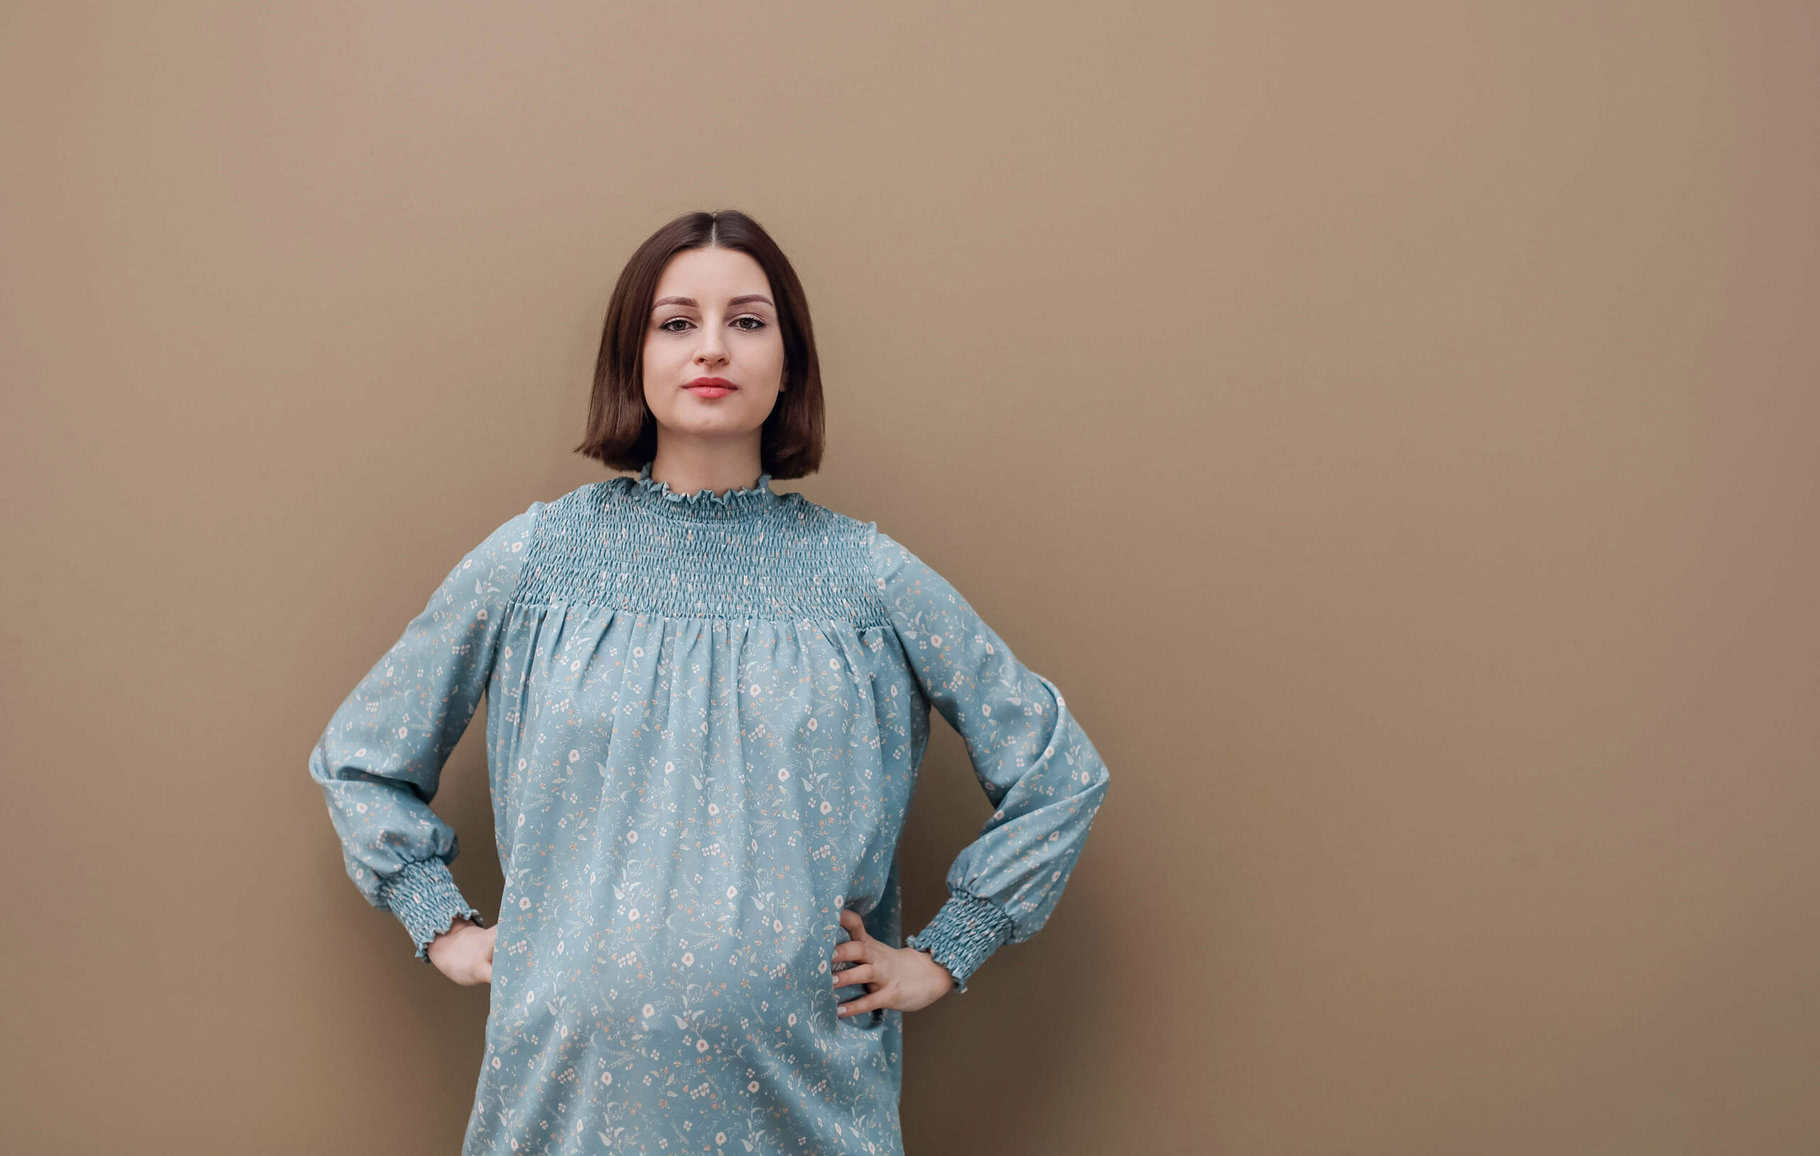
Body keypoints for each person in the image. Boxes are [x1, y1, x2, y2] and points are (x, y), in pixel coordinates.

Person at [307, 208, 1112, 1154]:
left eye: (749, 320)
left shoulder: (867, 580)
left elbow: (1060, 774)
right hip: (565, 1101)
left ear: (789, 362)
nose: (712, 349)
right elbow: (362, 758)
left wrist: (947, 952)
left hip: (803, 1100)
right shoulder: (538, 561)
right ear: (632, 357)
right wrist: (438, 922)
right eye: (677, 322)